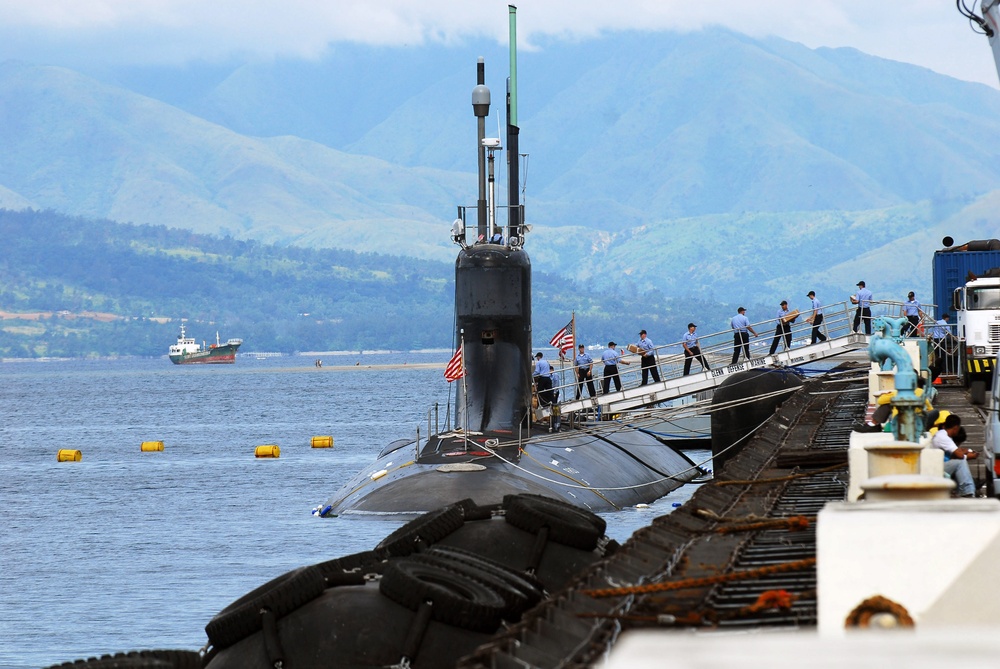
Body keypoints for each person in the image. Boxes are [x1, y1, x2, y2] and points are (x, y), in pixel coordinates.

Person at [931, 414, 977, 497]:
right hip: (937, 468)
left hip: (939, 464)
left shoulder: (944, 434)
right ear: (956, 428)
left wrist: (967, 451)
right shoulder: (943, 437)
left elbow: (957, 450)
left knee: (960, 462)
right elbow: (959, 455)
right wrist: (969, 456)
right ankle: (967, 491)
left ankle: (964, 490)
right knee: (960, 462)